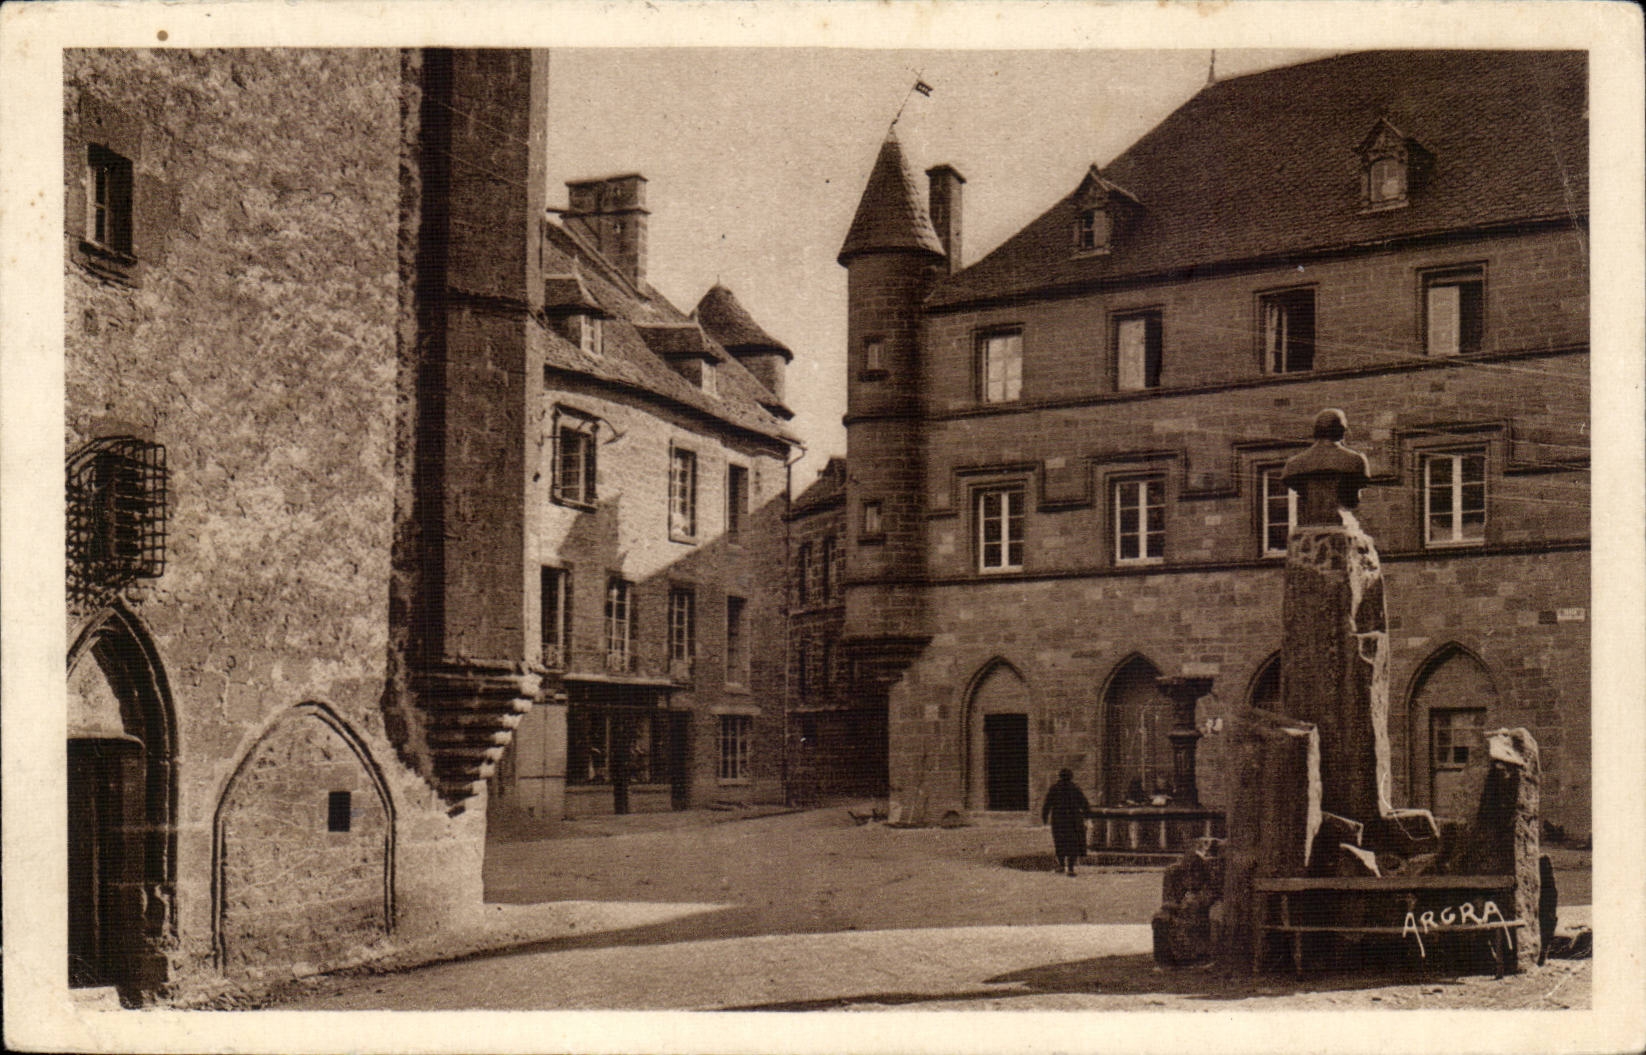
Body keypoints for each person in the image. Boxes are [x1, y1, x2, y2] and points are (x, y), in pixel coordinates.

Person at [1041, 768, 1092, 877]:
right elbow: (1084, 804)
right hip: (1073, 821)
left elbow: (1047, 804)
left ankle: (1061, 865)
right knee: (1072, 844)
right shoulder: (1075, 788)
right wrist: (1087, 816)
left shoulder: (1054, 788)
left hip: (1059, 820)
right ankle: (1070, 868)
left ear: (1060, 776)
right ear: (1071, 777)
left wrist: (1044, 817)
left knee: (1060, 842)